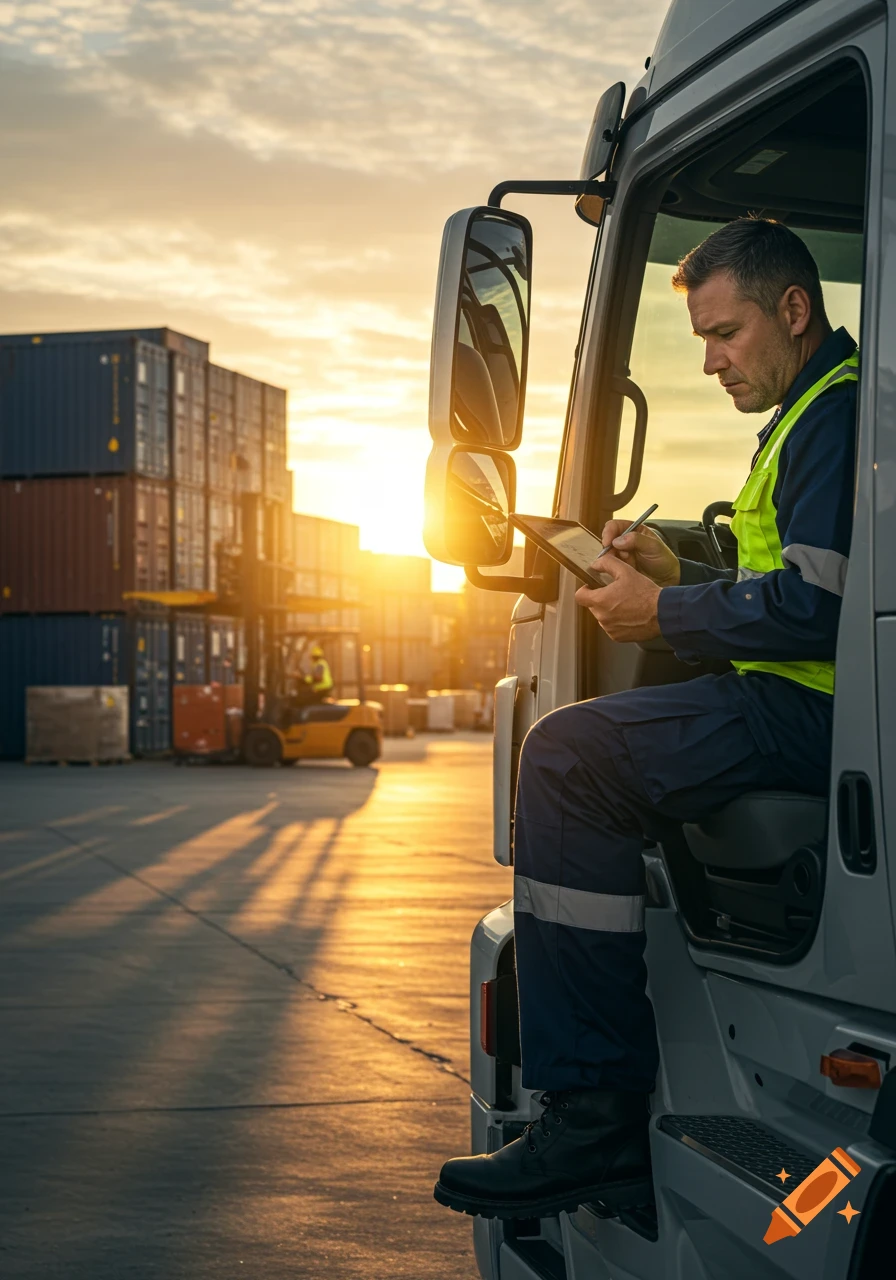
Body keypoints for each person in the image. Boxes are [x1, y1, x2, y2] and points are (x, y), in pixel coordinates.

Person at [434, 217, 858, 1220]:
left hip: (814, 708)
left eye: (724, 333)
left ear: (792, 311)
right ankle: (596, 1098)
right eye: (703, 340)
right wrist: (683, 573)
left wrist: (659, 611)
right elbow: (796, 585)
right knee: (587, 748)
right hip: (797, 691)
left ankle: (590, 1119)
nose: (709, 361)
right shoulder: (813, 412)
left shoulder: (833, 419)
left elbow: (823, 615)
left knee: (568, 756)